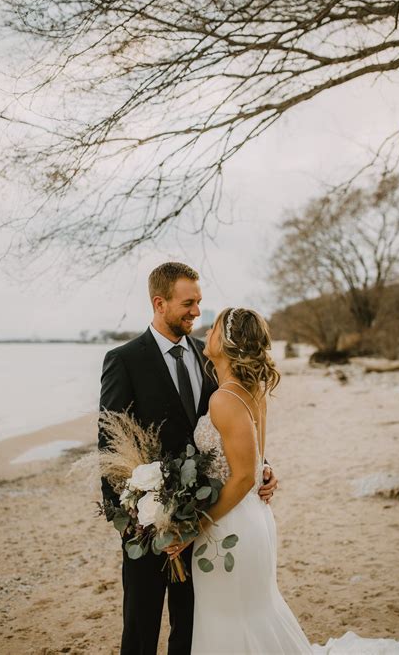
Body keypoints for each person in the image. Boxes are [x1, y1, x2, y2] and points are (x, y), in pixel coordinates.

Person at [163, 307, 399, 655]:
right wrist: (265, 471)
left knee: (230, 618)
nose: (206, 332)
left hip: (230, 527)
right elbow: (254, 463)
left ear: (228, 342)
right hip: (251, 517)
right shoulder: (249, 390)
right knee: (249, 613)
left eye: (215, 328)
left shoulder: (225, 398)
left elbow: (240, 479)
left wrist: (194, 527)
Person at [98, 264, 277, 655]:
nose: (197, 312)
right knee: (142, 628)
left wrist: (262, 467)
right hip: (148, 526)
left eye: (199, 302)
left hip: (205, 522)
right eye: (188, 303)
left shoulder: (211, 355)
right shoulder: (124, 359)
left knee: (194, 628)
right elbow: (110, 449)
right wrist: (135, 523)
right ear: (159, 303)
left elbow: (236, 427)